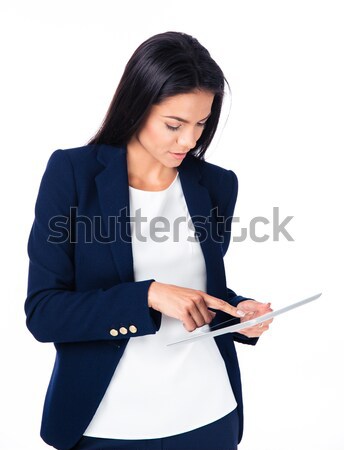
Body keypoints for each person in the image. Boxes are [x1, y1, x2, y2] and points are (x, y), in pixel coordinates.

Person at [25, 31, 273, 450]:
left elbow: (200, 293)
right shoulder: (72, 174)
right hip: (108, 423)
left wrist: (238, 314)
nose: (190, 141)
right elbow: (44, 312)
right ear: (136, 107)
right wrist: (149, 296)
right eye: (174, 125)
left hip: (209, 414)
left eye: (201, 123)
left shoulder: (215, 185)